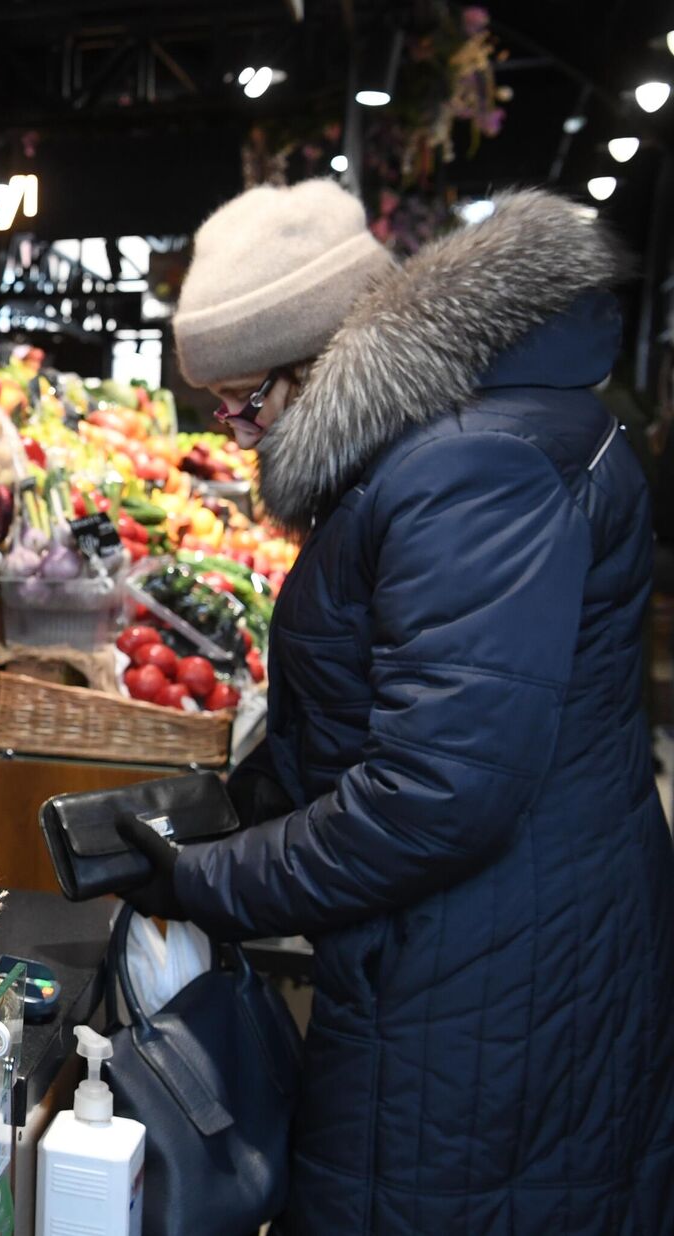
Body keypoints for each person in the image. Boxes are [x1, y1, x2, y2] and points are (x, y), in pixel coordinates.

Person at [122, 180, 674, 1234]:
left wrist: (214, 879)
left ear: (330, 356)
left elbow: (440, 791)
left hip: (486, 987)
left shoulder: (470, 467)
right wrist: (240, 805)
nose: (239, 434)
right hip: (504, 943)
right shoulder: (453, 439)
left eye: (249, 401)